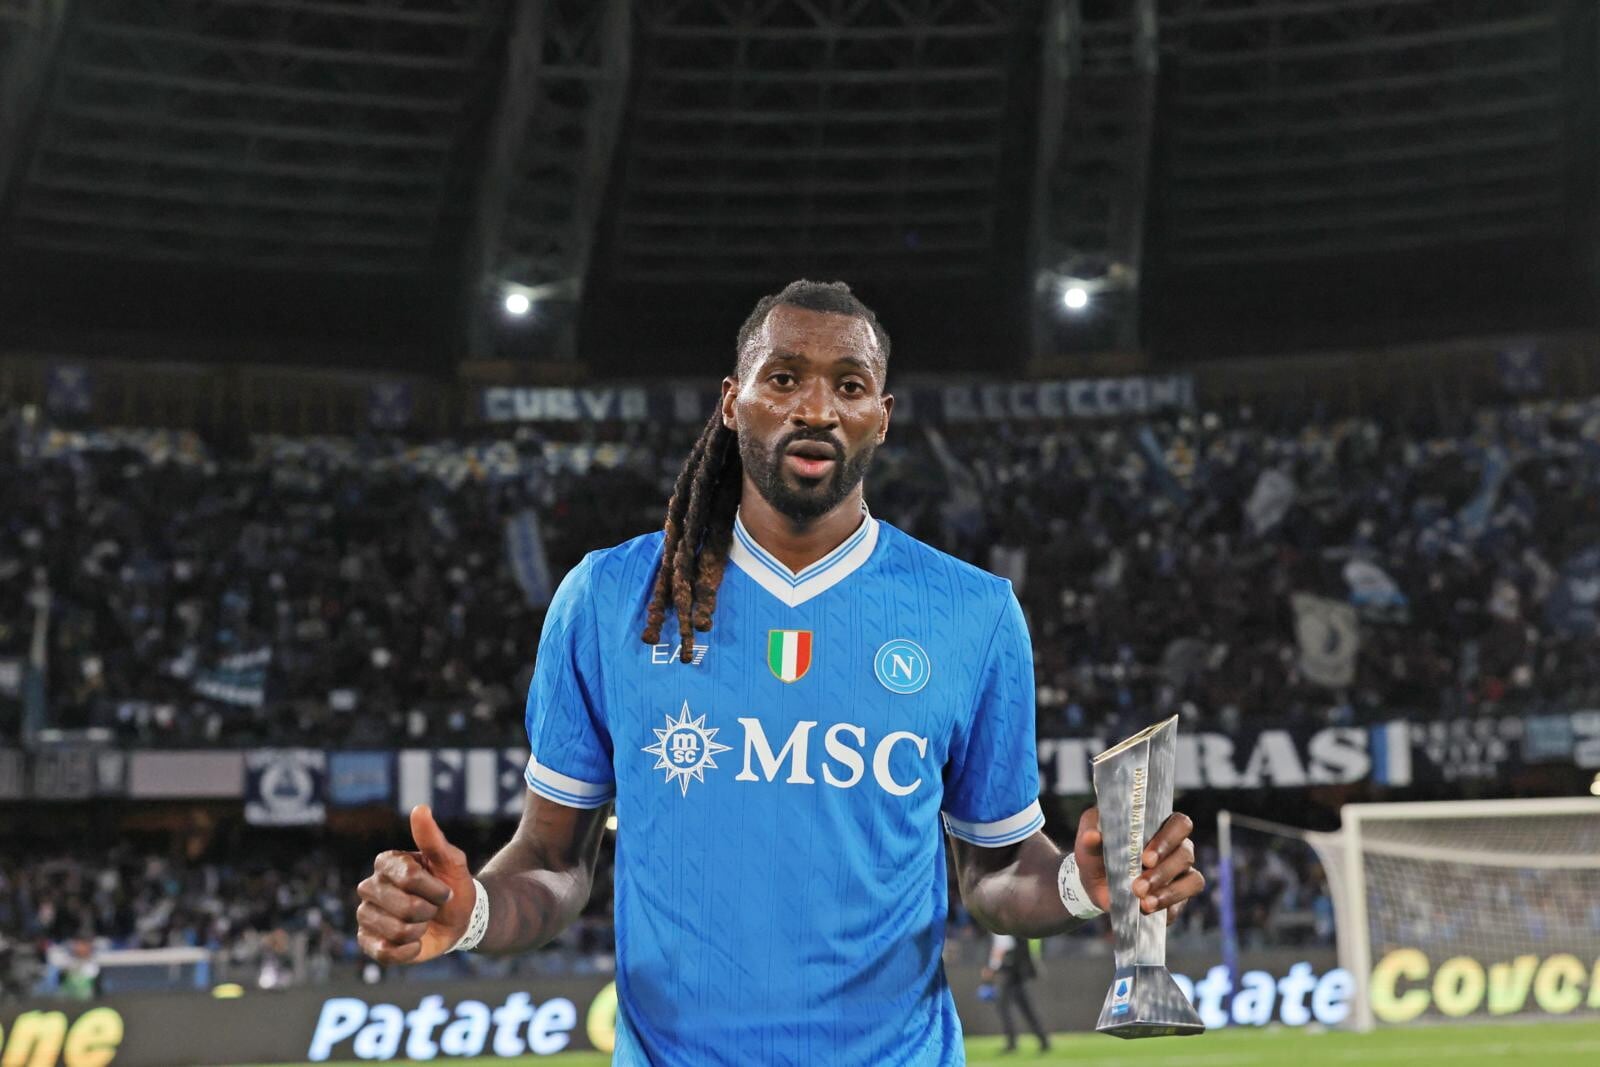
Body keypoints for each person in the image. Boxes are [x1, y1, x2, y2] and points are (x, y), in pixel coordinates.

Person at [355, 281, 1204, 1065]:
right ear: (733, 402)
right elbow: (550, 859)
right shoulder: (608, 598)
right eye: (785, 377)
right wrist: (468, 910)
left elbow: (998, 870)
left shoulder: (973, 613)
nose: (817, 408)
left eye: (849, 385)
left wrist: (1080, 883)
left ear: (881, 417)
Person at [981, 932, 1050, 1054]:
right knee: (1025, 1006)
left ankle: (1012, 1042)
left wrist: (992, 968)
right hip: (1018, 969)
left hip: (1012, 970)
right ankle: (1043, 1040)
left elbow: (1002, 946)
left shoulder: (1000, 925)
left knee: (1003, 1006)